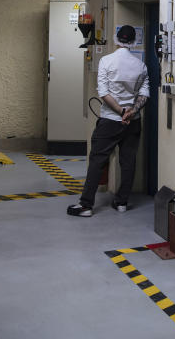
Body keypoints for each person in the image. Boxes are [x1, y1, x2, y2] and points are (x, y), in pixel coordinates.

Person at [67, 24, 149, 217]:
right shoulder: (141, 65)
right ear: (133, 42)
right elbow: (145, 94)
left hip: (111, 120)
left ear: (116, 39)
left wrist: (121, 112)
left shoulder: (106, 61)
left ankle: (86, 205)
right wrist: (131, 111)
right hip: (133, 121)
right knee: (128, 162)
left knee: (97, 160)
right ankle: (122, 202)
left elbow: (103, 93)